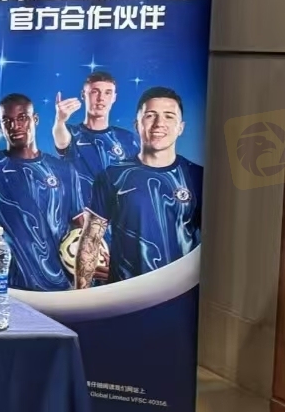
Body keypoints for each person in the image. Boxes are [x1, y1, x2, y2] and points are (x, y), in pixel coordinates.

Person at [75, 86, 202, 287]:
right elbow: (90, 240)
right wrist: (82, 295)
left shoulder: (197, 177)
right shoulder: (112, 176)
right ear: (137, 124)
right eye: (150, 115)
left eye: (169, 116)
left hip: (179, 293)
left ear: (181, 127)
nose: (159, 123)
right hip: (125, 295)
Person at [0, 93, 80, 292]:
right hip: (8, 284)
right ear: (1, 126)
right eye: (7, 121)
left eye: (22, 118)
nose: (15, 126)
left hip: (59, 284)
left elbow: (79, 224)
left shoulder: (64, 170)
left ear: (34, 119)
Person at [52, 70, 138, 204]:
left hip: (117, 214)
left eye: (107, 93)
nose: (101, 98)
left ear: (114, 97)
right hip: (81, 215)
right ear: (83, 95)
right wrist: (59, 120)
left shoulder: (128, 138)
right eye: (95, 92)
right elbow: (61, 138)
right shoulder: (71, 133)